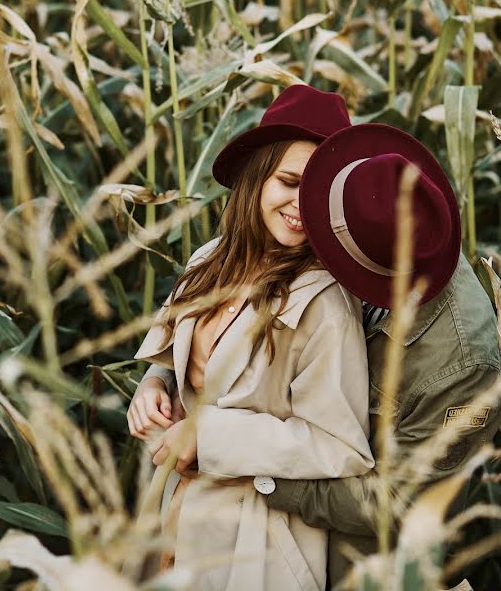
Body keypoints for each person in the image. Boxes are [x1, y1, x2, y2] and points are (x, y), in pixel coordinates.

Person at [129, 84, 373, 590]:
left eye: (317, 193)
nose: (300, 206)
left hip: (257, 542)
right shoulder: (208, 262)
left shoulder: (324, 303)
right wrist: (152, 386)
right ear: (256, 174)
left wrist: (210, 434)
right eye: (288, 181)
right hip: (176, 514)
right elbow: (174, 359)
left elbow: (340, 446)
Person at [267, 122, 501, 587]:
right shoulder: (370, 212)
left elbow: (400, 505)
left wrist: (269, 482)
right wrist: (161, 377)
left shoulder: (464, 364)